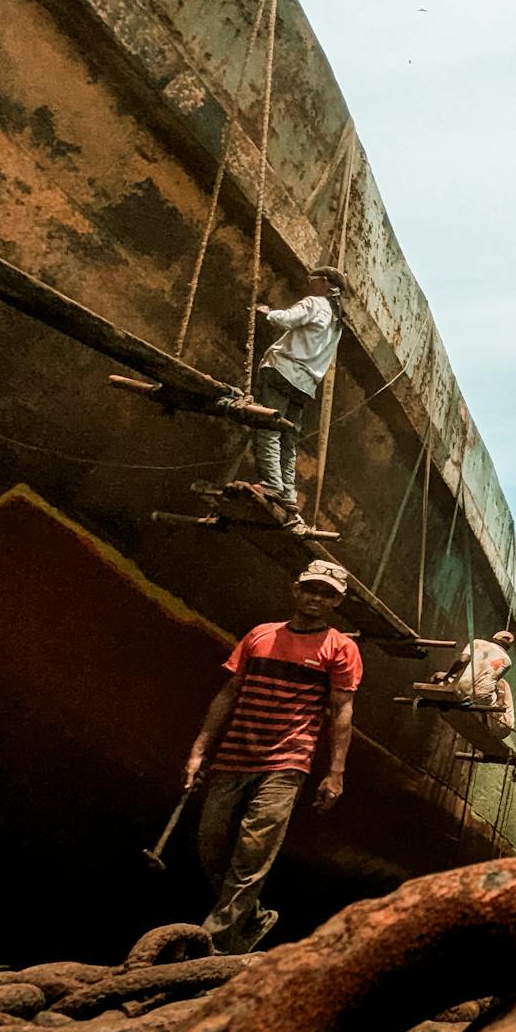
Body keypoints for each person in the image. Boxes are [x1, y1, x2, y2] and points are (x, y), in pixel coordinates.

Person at [182, 559, 361, 953]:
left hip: (288, 760)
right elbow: (229, 693)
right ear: (295, 590)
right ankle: (253, 916)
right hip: (233, 755)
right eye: (311, 588)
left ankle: (215, 944)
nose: (316, 598)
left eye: (327, 593)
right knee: (210, 843)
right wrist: (199, 751)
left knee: (252, 852)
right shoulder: (260, 635)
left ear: (337, 602)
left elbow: (341, 712)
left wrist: (335, 773)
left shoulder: (341, 648)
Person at [251, 267, 350, 531]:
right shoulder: (337, 323)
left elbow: (286, 319)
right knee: (288, 438)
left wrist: (267, 312)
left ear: (326, 285)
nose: (309, 284)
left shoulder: (315, 303)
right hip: (305, 386)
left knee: (268, 428)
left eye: (313, 280)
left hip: (283, 371)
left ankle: (272, 485)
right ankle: (289, 495)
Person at [430, 630, 516, 736]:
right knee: (491, 693)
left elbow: (462, 661)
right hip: (481, 698)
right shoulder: (508, 662)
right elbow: (488, 681)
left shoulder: (477, 643)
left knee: (437, 676)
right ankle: (485, 723)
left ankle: (445, 702)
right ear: (508, 647)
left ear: (495, 637)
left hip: (460, 687)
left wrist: (447, 676)